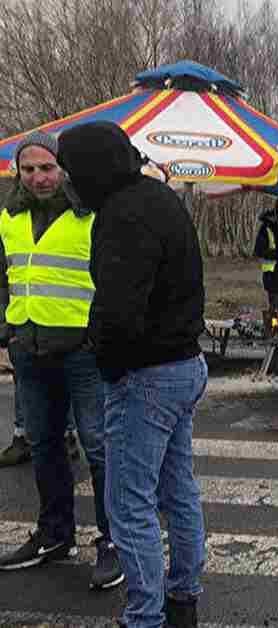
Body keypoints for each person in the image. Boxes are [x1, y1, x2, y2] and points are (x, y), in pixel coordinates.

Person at [58, 121, 208, 628]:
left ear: (93, 170)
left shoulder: (121, 216)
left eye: (69, 171)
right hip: (186, 364)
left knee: (128, 505)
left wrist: (106, 362)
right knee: (179, 491)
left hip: (146, 375)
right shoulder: (160, 199)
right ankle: (183, 598)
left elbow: (119, 313)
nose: (66, 181)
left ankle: (145, 616)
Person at [0, 132, 123, 590]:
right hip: (29, 350)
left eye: (47, 168)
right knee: (43, 444)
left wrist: (100, 337)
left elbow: (113, 279)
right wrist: (6, 332)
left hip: (82, 353)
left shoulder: (89, 214)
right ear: (19, 172)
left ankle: (115, 541)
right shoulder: (8, 217)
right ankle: (55, 534)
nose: (38, 178)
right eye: (28, 169)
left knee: (98, 447)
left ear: (63, 169)